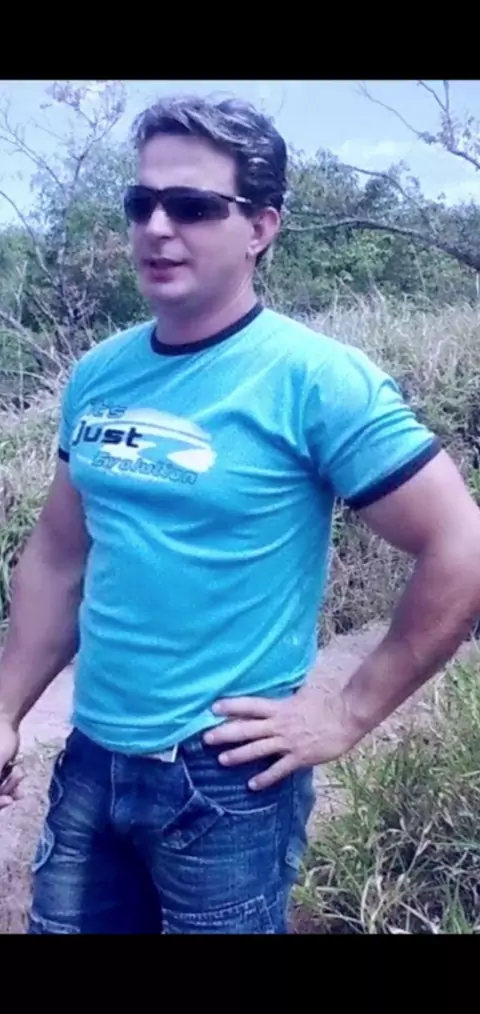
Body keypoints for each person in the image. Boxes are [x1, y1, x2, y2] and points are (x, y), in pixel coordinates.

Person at [1, 94, 480, 936]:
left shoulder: (316, 379)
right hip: (90, 763)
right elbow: (58, 555)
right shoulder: (99, 374)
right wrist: (6, 710)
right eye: (141, 202)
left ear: (260, 227)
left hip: (226, 781)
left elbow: (459, 544)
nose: (157, 227)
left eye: (192, 206)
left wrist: (347, 712)